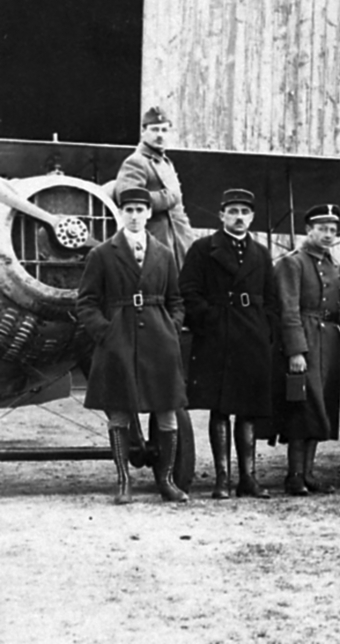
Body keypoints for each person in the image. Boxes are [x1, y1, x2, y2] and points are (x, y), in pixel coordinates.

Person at [75, 186, 189, 504]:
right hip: (118, 339)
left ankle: (166, 481)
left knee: (167, 411)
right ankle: (123, 481)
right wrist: (105, 333)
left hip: (159, 339)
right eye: (129, 210)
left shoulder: (164, 254)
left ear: (150, 213)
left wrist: (171, 328)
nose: (135, 216)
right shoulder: (102, 254)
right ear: (121, 213)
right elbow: (86, 302)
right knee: (119, 414)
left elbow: (176, 300)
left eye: (141, 210)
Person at [180, 188, 279, 499]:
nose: (239, 217)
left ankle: (248, 477)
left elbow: (273, 298)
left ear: (252, 217)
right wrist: (209, 320)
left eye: (245, 212)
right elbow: (189, 292)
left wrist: (266, 329)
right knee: (220, 409)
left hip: (252, 336)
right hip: (217, 336)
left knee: (248, 408)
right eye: (233, 211)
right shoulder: (202, 248)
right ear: (221, 215)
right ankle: (222, 479)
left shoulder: (261, 253)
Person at [271, 203, 340, 496]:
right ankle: (294, 475)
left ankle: (310, 473)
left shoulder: (334, 265)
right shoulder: (293, 263)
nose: (327, 235)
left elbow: (338, 306)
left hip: (328, 341)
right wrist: (296, 351)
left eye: (332, 230)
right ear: (308, 231)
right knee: (301, 407)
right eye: (322, 229)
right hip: (304, 339)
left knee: (322, 406)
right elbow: (288, 309)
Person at [113, 106, 195, 267]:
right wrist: (169, 197)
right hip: (155, 240)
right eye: (154, 130)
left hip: (178, 239)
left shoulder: (165, 162)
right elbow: (127, 197)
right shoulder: (136, 161)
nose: (160, 135)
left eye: (164, 130)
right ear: (143, 132)